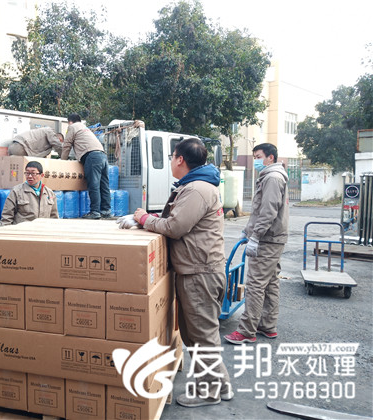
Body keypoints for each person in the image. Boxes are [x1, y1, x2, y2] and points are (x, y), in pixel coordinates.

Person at [123, 137, 232, 408]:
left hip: (200, 273)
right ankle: (221, 384)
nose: (171, 161)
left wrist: (144, 219)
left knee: (201, 336)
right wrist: (148, 220)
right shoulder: (195, 185)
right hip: (198, 269)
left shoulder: (196, 189)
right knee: (198, 334)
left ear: (180, 159)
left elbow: (175, 227)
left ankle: (208, 392)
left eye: (172, 157)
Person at [224, 143, 289, 345]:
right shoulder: (274, 176)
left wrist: (255, 236)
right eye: (254, 157)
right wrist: (248, 230)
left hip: (268, 239)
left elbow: (268, 212)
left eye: (259, 156)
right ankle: (267, 325)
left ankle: (246, 331)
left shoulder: (272, 178)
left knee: (255, 285)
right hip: (273, 238)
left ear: (270, 157)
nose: (256, 161)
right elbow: (261, 211)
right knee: (270, 282)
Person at [60, 113, 111, 219]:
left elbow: (67, 145)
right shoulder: (85, 128)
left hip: (92, 157)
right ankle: (106, 210)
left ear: (70, 122)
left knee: (93, 184)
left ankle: (95, 212)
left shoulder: (72, 127)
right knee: (104, 185)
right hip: (102, 155)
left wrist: (62, 162)